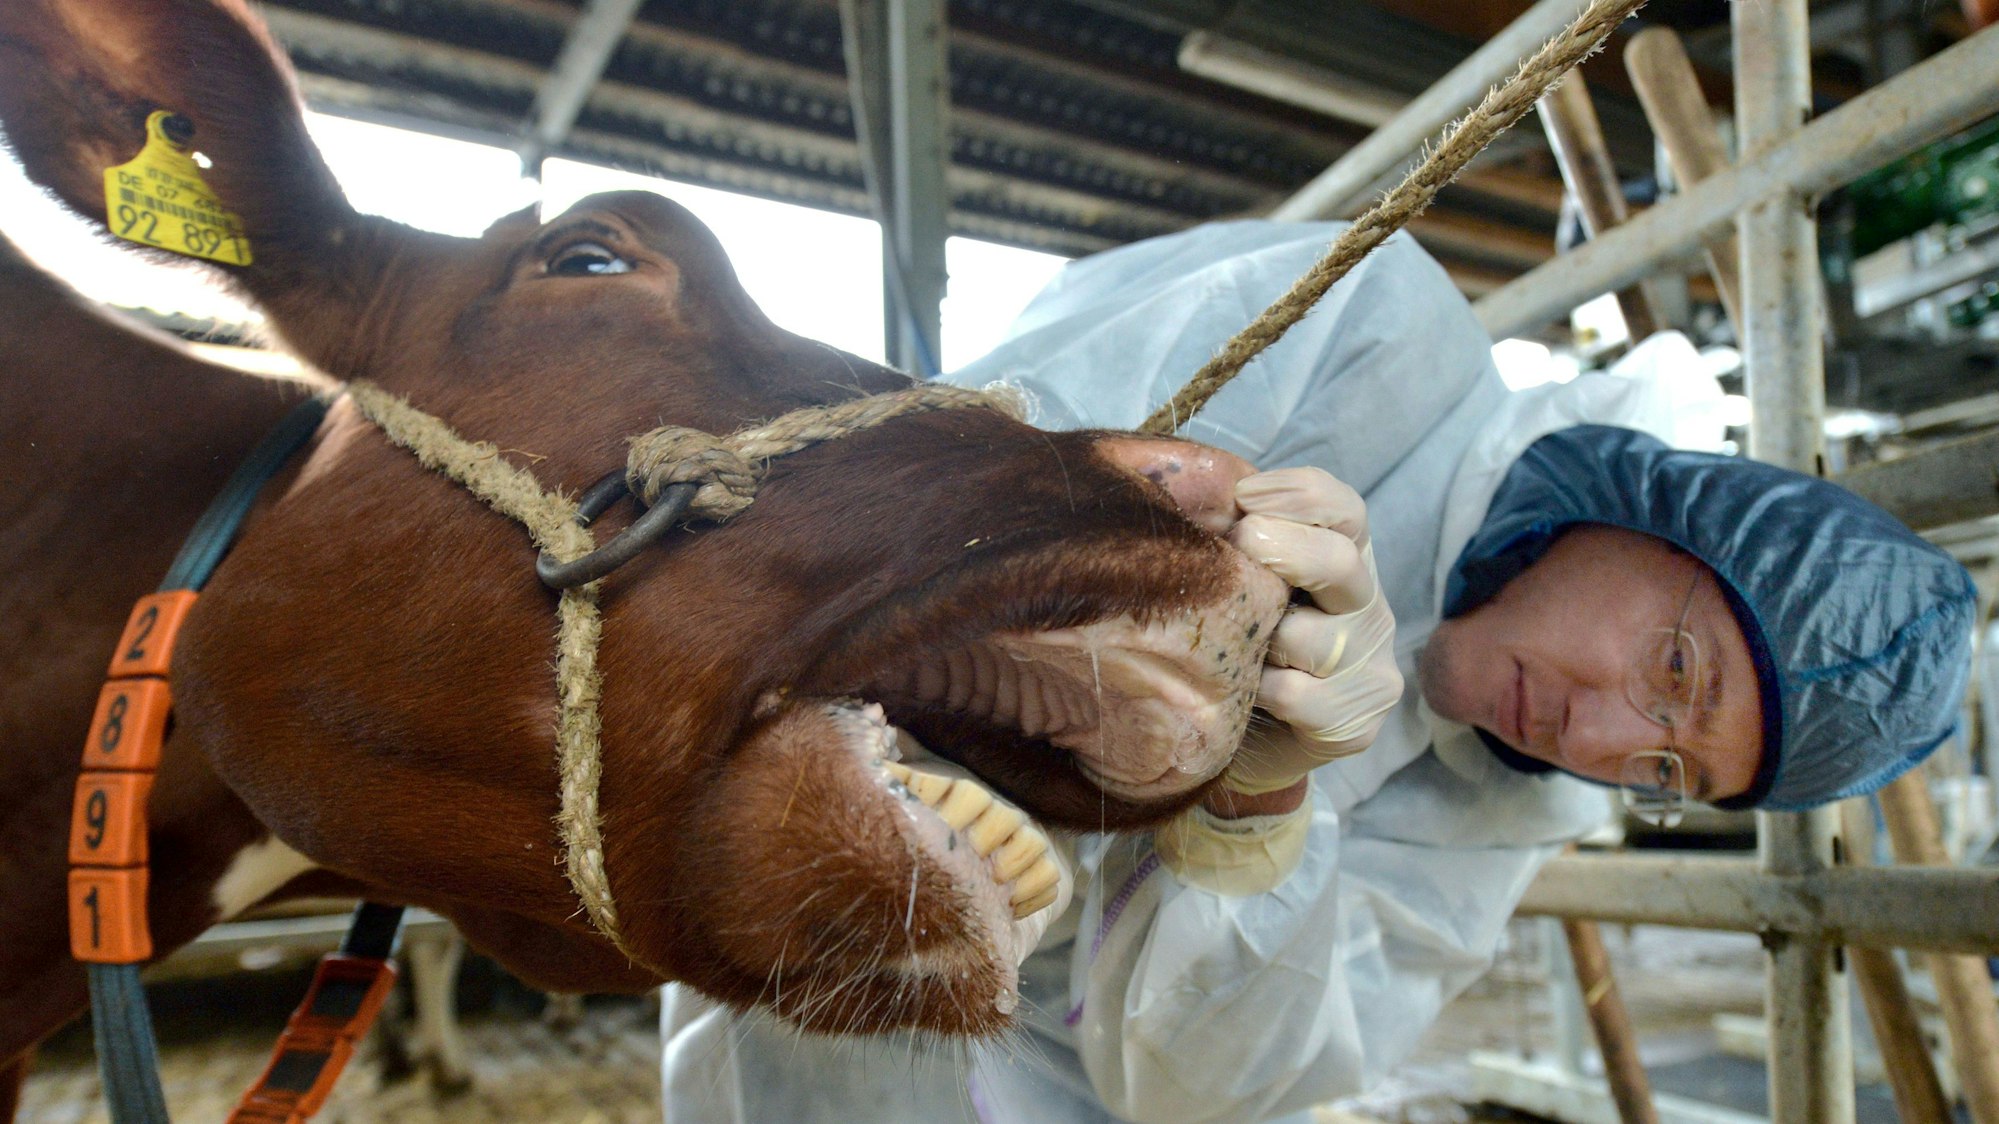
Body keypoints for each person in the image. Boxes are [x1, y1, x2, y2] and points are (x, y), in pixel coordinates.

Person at [658, 221, 1976, 1122]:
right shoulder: (1369, 335)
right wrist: (1189, 559)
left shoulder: (1491, 829)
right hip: (768, 818)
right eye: (1672, 665)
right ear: (1644, 511)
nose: (1600, 733)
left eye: (1669, 767)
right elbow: (934, 489)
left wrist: (1262, 811)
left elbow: (1206, 1094)